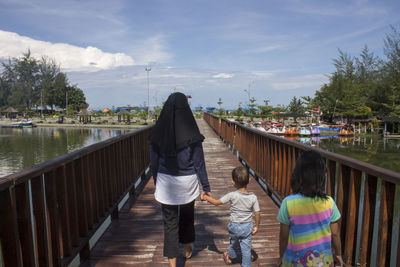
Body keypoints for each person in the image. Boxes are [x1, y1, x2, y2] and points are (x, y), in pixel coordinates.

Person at [148, 92, 211, 267]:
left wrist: (156, 180)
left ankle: (172, 263)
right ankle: (187, 248)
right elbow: (199, 163)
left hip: (166, 182)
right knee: (187, 216)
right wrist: (206, 186)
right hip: (187, 183)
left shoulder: (158, 132)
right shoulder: (192, 131)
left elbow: (153, 162)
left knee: (169, 224)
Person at [277, 150, 344, 267]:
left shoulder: (288, 203)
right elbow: (335, 234)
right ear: (322, 175)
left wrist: (282, 256)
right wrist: (338, 254)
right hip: (323, 262)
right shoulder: (329, 202)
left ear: (298, 175)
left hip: (294, 262)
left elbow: (283, 236)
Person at [202, 166, 260, 267]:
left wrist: (206, 197)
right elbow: (257, 212)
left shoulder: (232, 195)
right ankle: (246, 265)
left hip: (234, 226)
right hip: (247, 226)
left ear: (233, 182)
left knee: (233, 243)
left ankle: (230, 257)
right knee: (246, 249)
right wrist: (257, 226)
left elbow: (216, 202)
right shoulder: (253, 197)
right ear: (249, 180)